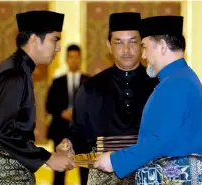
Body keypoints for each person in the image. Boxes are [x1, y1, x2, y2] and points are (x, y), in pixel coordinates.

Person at [94, 16, 202, 185]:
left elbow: (160, 141)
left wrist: (115, 161)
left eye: (144, 47)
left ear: (162, 46)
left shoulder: (176, 82)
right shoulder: (179, 78)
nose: (143, 55)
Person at [58, 12, 158, 185]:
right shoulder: (91, 88)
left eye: (133, 41)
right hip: (104, 177)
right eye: (118, 42)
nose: (126, 50)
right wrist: (68, 144)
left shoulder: (159, 85)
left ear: (142, 44)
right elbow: (78, 133)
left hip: (149, 174)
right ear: (109, 45)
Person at [0, 10, 76, 185]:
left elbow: (14, 133)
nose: (58, 47)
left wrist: (49, 154)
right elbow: (3, 132)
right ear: (34, 39)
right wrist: (48, 157)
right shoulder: (15, 74)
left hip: (10, 169)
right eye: (55, 39)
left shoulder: (19, 70)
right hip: (5, 173)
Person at [46, 44, 90, 185]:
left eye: (76, 57)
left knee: (85, 172)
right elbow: (48, 106)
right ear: (66, 59)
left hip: (82, 132)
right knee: (59, 172)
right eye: (71, 57)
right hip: (61, 131)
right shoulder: (57, 82)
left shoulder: (89, 81)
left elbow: (94, 106)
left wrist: (78, 114)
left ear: (80, 58)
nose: (74, 60)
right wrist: (61, 112)